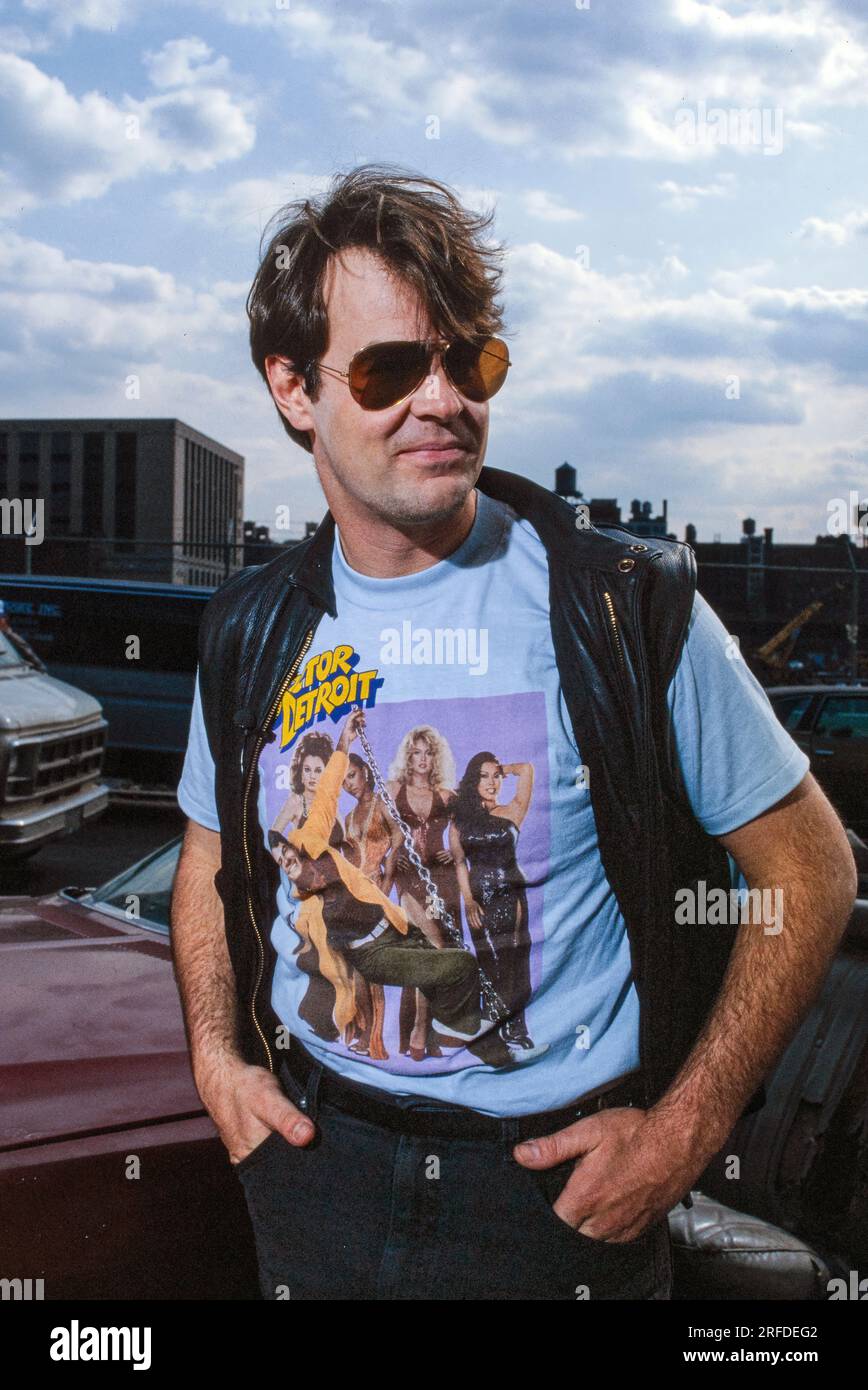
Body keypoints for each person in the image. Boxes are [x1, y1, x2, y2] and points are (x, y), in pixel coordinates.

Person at [172, 165, 857, 1301]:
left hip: (552, 1204)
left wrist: (684, 1132)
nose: (443, 399)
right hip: (314, 1171)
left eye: (471, 358)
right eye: (393, 367)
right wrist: (215, 1061)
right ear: (293, 389)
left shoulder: (621, 607)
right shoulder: (252, 628)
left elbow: (814, 869)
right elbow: (205, 857)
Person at [450, 751, 535, 1051]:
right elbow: (460, 863)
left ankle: (516, 1029)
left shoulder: (511, 811)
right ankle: (492, 1029)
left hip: (510, 894)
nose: (492, 782)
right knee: (489, 961)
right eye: (484, 776)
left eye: (495, 776)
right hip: (479, 900)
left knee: (514, 958)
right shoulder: (460, 822)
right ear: (473, 780)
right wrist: (469, 902)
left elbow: (526, 768)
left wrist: (506, 768)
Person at [387, 724, 462, 1060]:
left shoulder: (447, 797)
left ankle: (432, 1032)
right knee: (433, 946)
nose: (422, 759)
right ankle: (418, 1026)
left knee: (433, 955)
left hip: (440, 881)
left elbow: (465, 838)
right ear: (407, 756)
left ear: (435, 757)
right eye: (415, 752)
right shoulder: (391, 790)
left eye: (428, 752)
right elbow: (379, 834)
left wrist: (458, 854)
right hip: (408, 880)